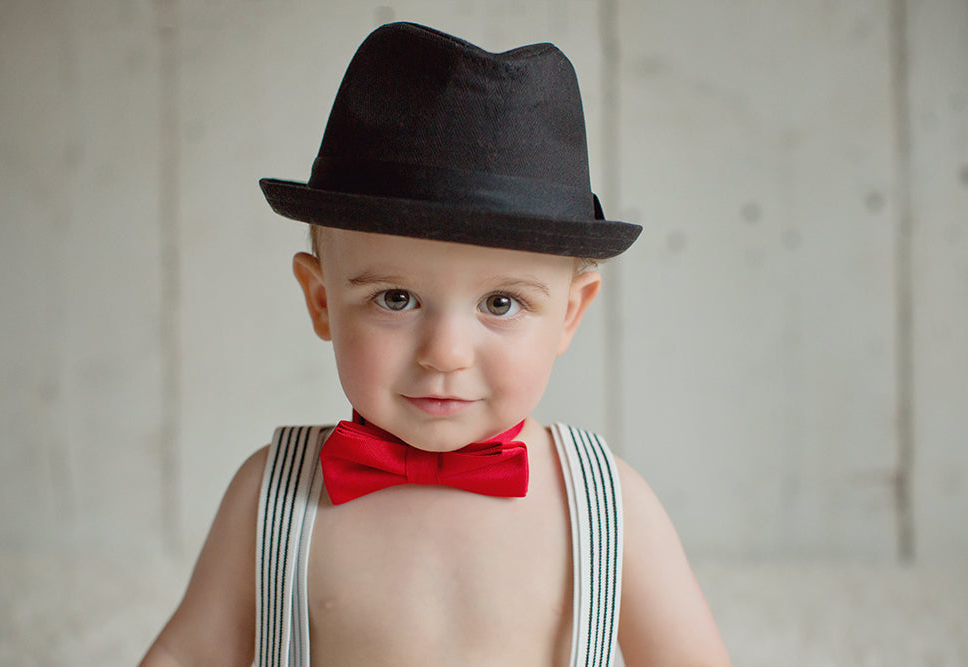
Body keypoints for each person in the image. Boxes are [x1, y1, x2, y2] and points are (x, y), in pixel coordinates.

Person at [141, 21, 729, 667]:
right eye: (395, 298)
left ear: (569, 313)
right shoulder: (274, 493)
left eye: (500, 303)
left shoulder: (606, 505)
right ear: (320, 301)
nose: (444, 352)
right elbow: (186, 653)